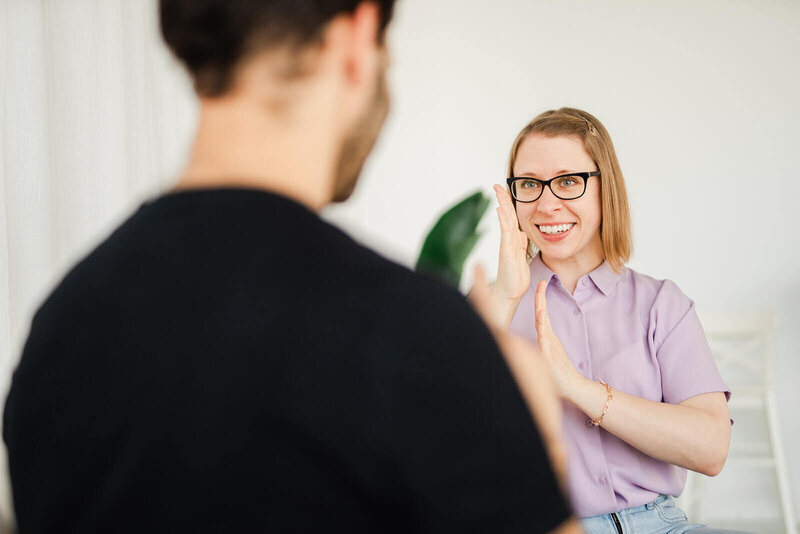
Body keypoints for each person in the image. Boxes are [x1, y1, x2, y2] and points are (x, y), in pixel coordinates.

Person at [3, 2, 579, 533]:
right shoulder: (413, 334)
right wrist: (538, 435)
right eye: (389, 57)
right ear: (356, 37)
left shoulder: (60, 330)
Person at [487, 107, 749, 533]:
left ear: (604, 188)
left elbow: (711, 448)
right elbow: (432, 445)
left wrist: (578, 389)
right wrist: (502, 297)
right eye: (530, 185)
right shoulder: (491, 308)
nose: (547, 204)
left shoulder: (661, 304)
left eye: (568, 181)